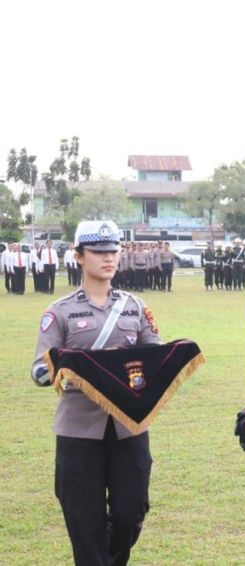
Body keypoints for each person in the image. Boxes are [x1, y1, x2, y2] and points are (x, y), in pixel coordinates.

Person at [31, 220, 162, 565]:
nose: (109, 258)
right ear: (78, 256)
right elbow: (39, 370)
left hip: (128, 426)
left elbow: (155, 357)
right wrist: (63, 368)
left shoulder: (135, 306)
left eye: (113, 251)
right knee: (83, 521)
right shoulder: (59, 312)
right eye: (99, 252)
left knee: (130, 511)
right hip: (78, 432)